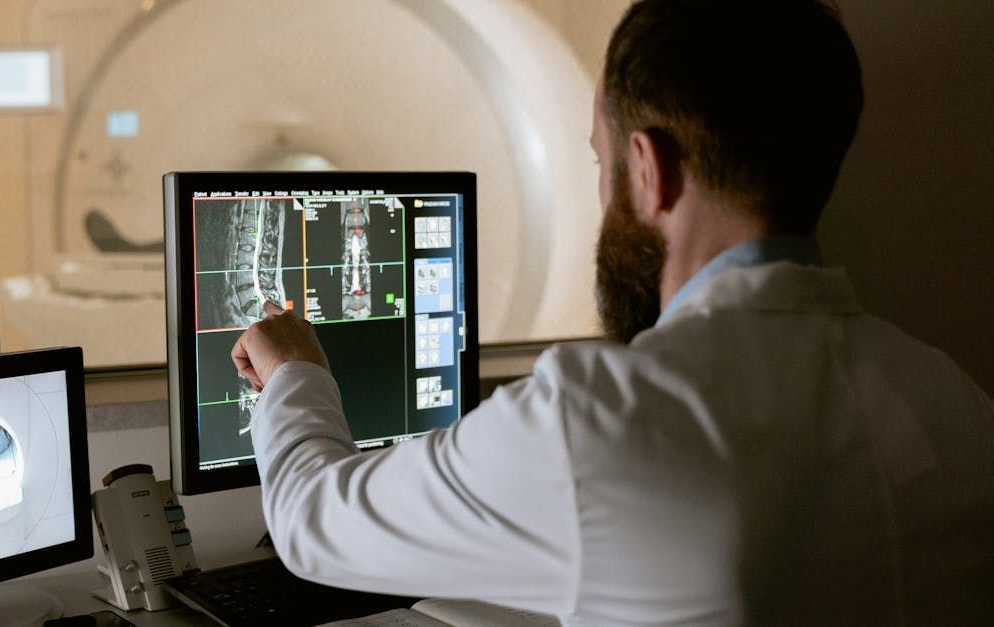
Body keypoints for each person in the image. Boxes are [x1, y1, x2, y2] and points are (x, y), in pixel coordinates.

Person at [231, 1, 994, 624]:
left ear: (648, 168)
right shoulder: (954, 405)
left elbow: (311, 522)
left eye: (601, 162)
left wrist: (296, 369)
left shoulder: (599, 415)